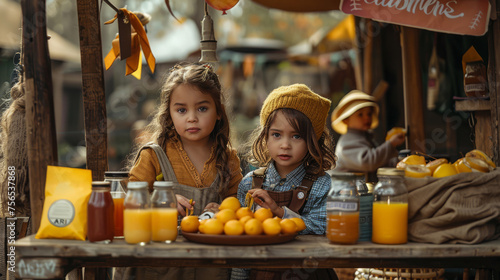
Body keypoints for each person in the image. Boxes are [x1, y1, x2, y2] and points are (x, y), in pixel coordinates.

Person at [123, 62, 243, 279]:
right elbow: (131, 201)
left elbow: (237, 200)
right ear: (169, 114)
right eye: (181, 110)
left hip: (211, 266)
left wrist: (224, 210)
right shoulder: (154, 155)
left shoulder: (228, 159)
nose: (192, 117)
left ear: (218, 113)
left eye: (202, 108)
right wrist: (160, 201)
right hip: (160, 266)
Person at [232, 84, 337, 280]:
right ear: (265, 137)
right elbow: (241, 238)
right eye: (276, 135)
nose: (285, 145)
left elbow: (323, 226)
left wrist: (280, 213)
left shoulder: (321, 184)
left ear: (312, 141)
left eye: (296, 136)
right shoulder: (250, 184)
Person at [331, 90, 405, 181]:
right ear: (346, 120)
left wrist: (400, 162)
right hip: (346, 192)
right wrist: (391, 144)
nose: (367, 118)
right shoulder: (346, 144)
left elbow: (379, 163)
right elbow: (368, 162)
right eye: (360, 114)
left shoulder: (366, 138)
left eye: (369, 114)